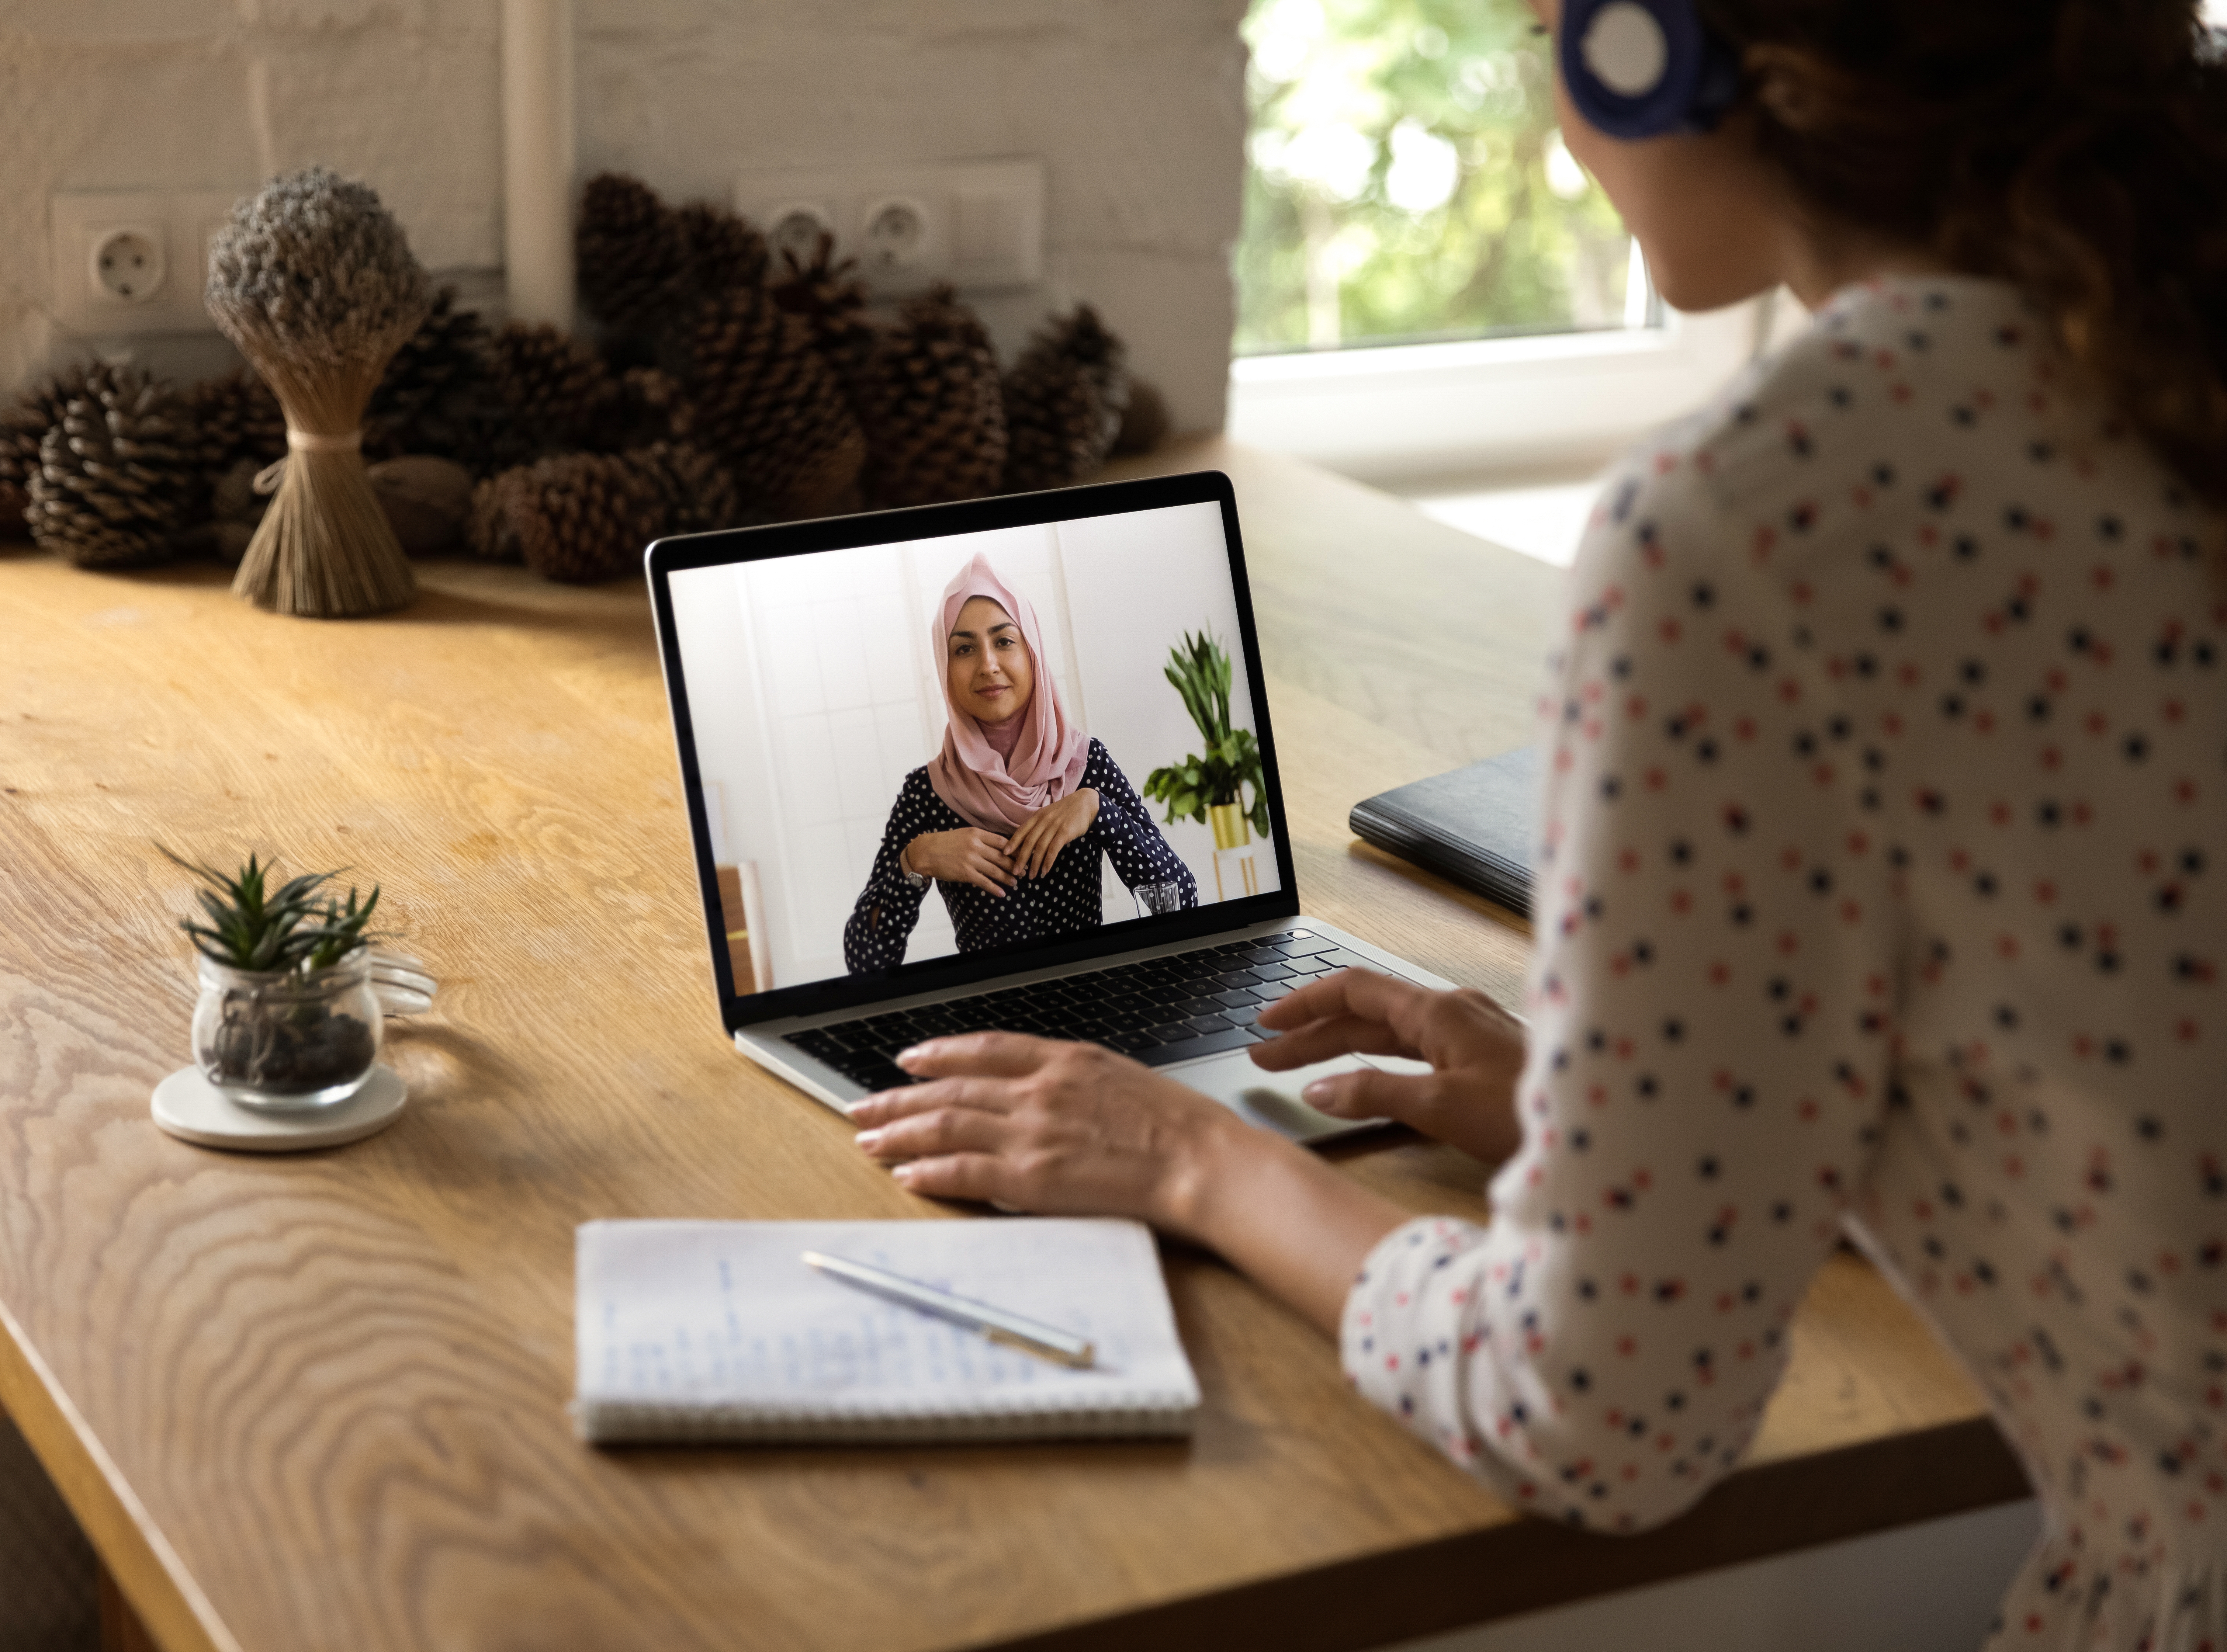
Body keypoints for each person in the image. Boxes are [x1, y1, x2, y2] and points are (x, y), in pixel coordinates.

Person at [844, 2, 2227, 1644]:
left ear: (1644, 52)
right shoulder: (2146, 355)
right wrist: (1653, 1123)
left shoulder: (1750, 525)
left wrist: (1186, 1153)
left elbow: (1590, 1409)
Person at [843, 555, 1199, 974]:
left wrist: (1100, 812)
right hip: (992, 1023)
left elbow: (1181, 903)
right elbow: (866, 961)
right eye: (964, 649)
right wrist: (914, 861)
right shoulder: (928, 793)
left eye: (1005, 641)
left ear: (1033, 652)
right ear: (946, 669)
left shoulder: (1086, 764)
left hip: (1095, 1005)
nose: (988, 664)